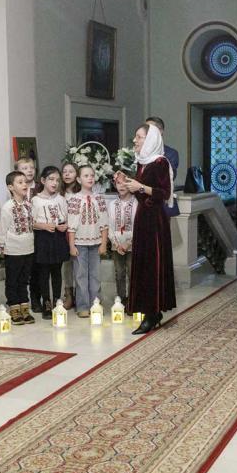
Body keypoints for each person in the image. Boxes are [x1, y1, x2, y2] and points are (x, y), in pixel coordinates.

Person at [118, 122, 176, 334]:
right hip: (143, 217)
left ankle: (152, 313)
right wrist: (127, 183)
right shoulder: (142, 162)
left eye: (139, 137)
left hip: (155, 221)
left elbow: (164, 193)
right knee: (143, 264)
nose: (135, 140)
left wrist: (140, 186)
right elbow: (141, 192)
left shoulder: (160, 162)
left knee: (153, 265)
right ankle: (148, 311)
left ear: (150, 139)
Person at [67, 164, 110, 317]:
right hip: (79, 243)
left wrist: (104, 243)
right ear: (79, 179)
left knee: (95, 275)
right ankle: (83, 306)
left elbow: (104, 223)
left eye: (92, 175)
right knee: (80, 275)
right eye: (86, 176)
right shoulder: (74, 199)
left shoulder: (99, 198)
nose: (90, 178)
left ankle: (95, 304)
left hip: (96, 242)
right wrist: (72, 245)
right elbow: (71, 226)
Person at [0, 170, 36, 325]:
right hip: (13, 249)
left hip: (28, 248)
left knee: (24, 279)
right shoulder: (7, 207)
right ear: (10, 187)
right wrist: (1, 246)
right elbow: (3, 229)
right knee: (12, 279)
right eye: (20, 182)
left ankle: (24, 306)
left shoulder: (29, 205)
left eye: (25, 182)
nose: (24, 184)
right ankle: (14, 307)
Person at [32, 166, 70, 319]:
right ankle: (46, 302)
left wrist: (64, 226)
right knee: (43, 272)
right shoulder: (36, 200)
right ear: (43, 180)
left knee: (56, 271)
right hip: (43, 238)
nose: (55, 183)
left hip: (58, 237)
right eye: (51, 179)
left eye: (57, 180)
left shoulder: (61, 199)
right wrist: (44, 226)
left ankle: (56, 301)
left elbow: (66, 218)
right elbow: (31, 222)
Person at [108, 176, 136, 308]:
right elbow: (109, 225)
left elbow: (139, 226)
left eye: (125, 183)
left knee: (132, 273)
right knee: (119, 273)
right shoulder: (112, 204)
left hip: (133, 245)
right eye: (118, 183)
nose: (122, 186)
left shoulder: (137, 203)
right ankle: (121, 300)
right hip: (117, 246)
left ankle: (133, 300)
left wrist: (129, 243)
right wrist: (116, 243)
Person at [146, 116, 180, 218]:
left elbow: (167, 178)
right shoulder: (138, 152)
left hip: (161, 203)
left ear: (160, 131)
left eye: (149, 129)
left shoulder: (170, 153)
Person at [59, 162, 79, 308]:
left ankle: (80, 294)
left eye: (70, 171)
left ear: (77, 174)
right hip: (63, 232)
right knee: (67, 265)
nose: (67, 174)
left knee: (78, 263)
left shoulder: (80, 192)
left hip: (78, 231)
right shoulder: (59, 193)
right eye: (64, 171)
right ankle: (68, 293)